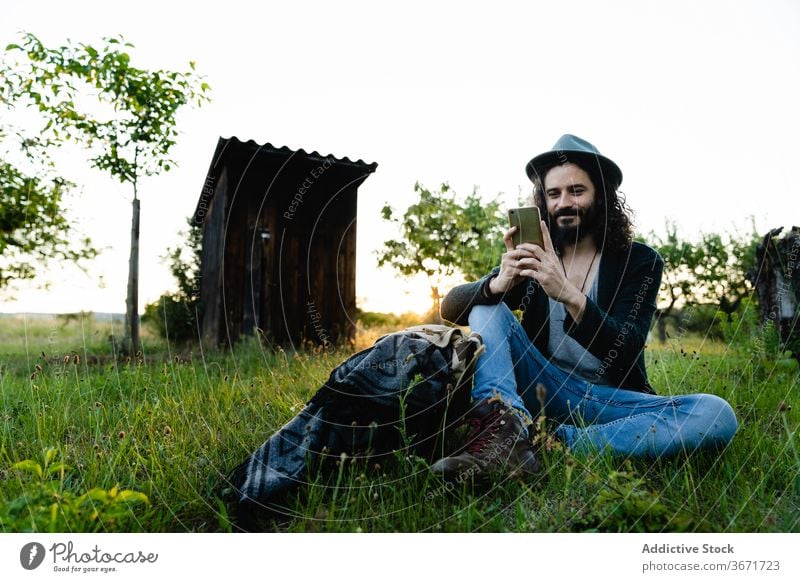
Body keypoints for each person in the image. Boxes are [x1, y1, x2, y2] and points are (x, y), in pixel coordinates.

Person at [431, 134, 738, 482]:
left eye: (576, 191)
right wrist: (497, 284)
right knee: (489, 309)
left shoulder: (639, 261)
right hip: (544, 390)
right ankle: (504, 429)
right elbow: (451, 308)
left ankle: (551, 444)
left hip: (611, 402)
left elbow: (624, 349)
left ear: (601, 196)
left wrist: (569, 295)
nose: (564, 202)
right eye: (553, 194)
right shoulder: (535, 257)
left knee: (716, 414)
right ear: (543, 202)